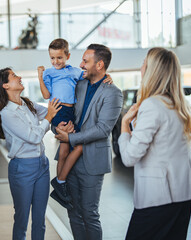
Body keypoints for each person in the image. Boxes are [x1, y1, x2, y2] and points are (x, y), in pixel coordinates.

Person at [118, 47, 191, 240]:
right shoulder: (180, 105)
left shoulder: (152, 105)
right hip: (183, 194)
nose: (140, 67)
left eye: (143, 63)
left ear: (151, 70)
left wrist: (125, 124)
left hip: (159, 197)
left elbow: (130, 157)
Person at [55, 43, 123, 240]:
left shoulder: (113, 93)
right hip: (69, 156)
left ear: (99, 64)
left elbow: (103, 129)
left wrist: (71, 138)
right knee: (73, 212)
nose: (81, 64)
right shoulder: (78, 84)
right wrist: (59, 129)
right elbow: (64, 110)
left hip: (92, 160)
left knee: (89, 213)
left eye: (86, 61)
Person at [0, 67, 64, 240]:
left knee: (40, 219)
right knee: (22, 219)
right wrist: (49, 118)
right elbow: (34, 136)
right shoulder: (7, 113)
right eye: (14, 76)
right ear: (5, 86)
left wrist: (59, 122)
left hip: (42, 165)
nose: (20, 77)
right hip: (22, 169)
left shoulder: (27, 103)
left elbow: (51, 113)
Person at [37, 38, 112, 209]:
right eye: (52, 58)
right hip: (59, 111)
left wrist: (107, 76)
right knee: (75, 147)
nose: (56, 62)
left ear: (68, 56)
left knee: (66, 149)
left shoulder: (74, 72)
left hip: (70, 112)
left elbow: (91, 75)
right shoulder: (49, 73)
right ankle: (60, 182)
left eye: (59, 58)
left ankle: (60, 183)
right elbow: (46, 95)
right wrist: (40, 77)